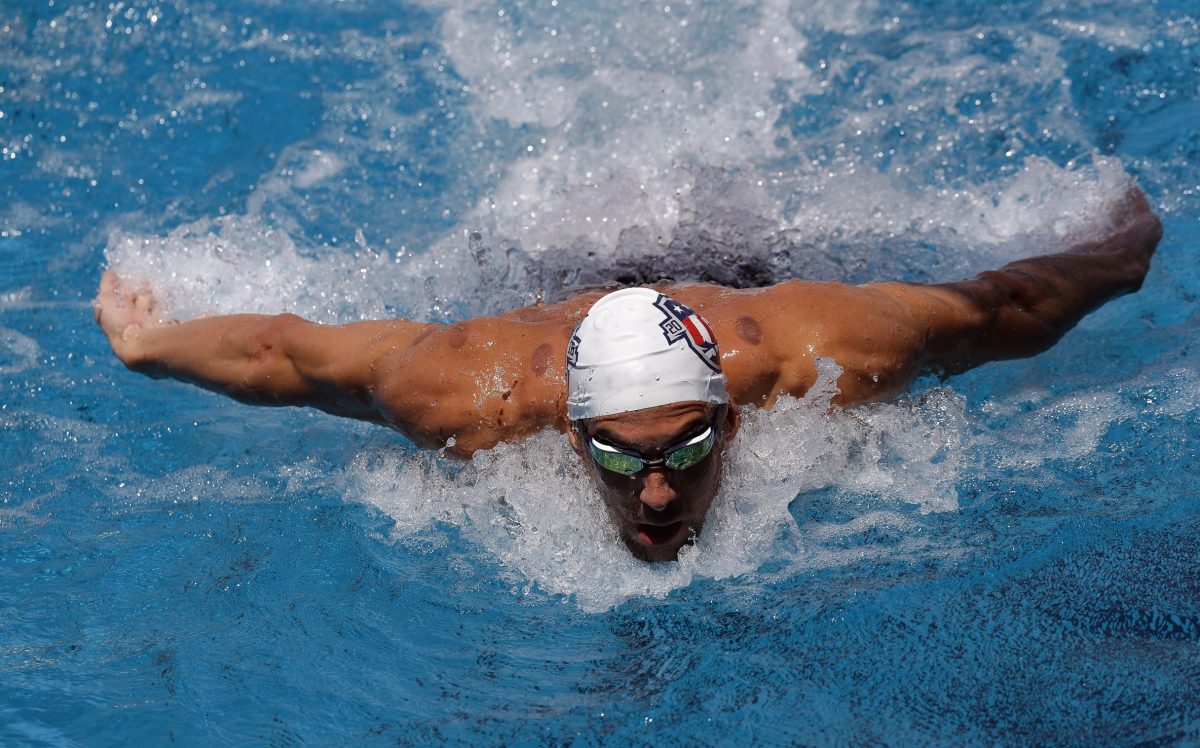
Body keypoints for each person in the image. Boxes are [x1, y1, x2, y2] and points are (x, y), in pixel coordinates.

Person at [95, 187, 1162, 561]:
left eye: (687, 449)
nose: (657, 492)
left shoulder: (810, 354)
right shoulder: (473, 393)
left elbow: (1000, 309)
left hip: (740, 287)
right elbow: (292, 352)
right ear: (569, 434)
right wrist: (149, 346)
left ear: (735, 423)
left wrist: (1121, 253)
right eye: (622, 456)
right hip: (550, 289)